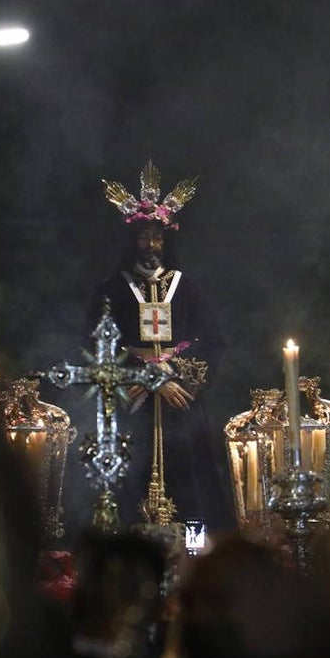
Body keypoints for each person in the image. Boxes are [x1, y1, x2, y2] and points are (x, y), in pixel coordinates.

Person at [85, 161, 234, 535]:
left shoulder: (187, 288)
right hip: (132, 401)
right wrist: (139, 378)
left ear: (167, 241)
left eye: (158, 238)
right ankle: (128, 547)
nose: (151, 245)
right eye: (144, 237)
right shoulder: (111, 290)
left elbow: (212, 341)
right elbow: (94, 346)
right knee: (127, 471)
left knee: (190, 477)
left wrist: (174, 375)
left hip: (179, 400)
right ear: (131, 241)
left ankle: (195, 550)